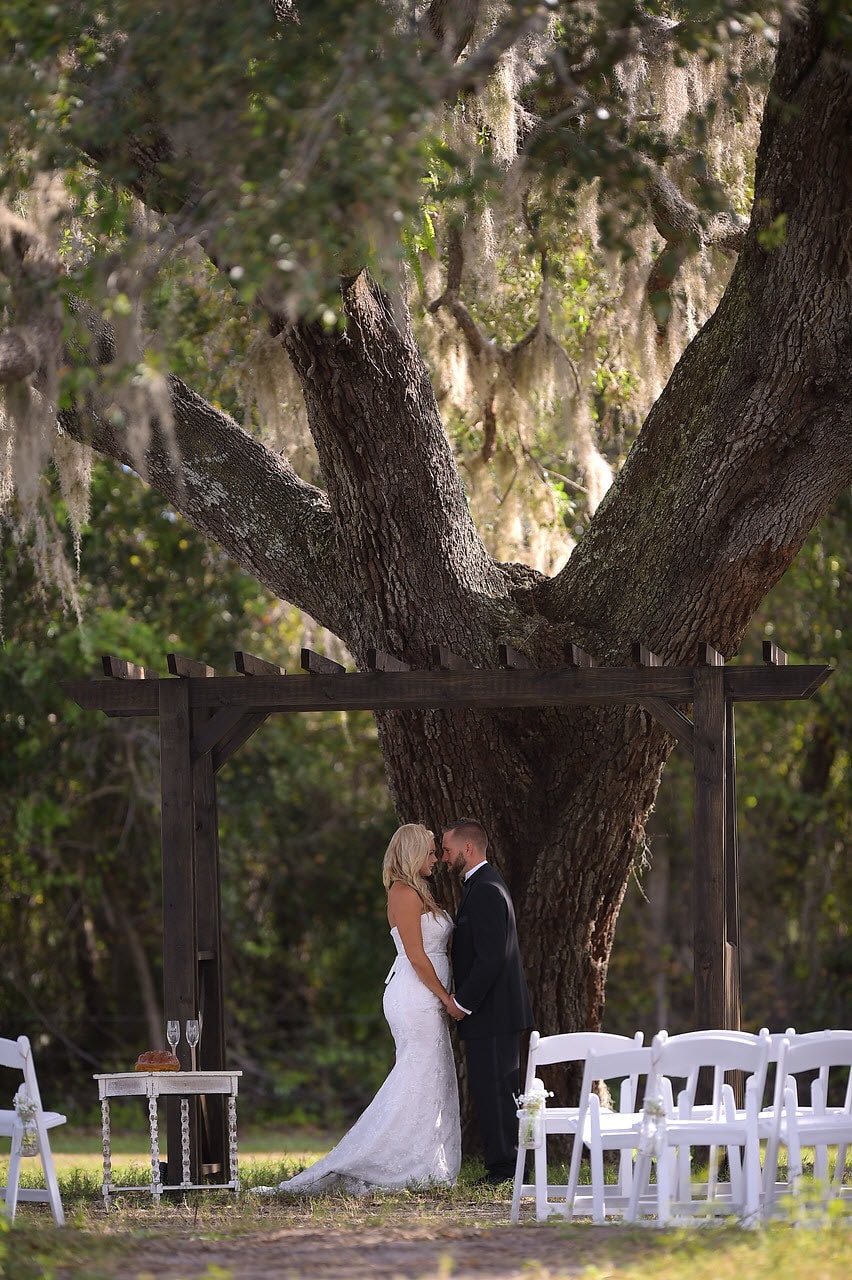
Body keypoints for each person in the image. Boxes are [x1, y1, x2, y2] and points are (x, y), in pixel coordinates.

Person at [270, 823, 461, 1194]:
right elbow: (418, 957)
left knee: (430, 1075)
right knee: (416, 1073)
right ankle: (372, 1158)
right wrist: (445, 997)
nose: (436, 860)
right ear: (413, 853)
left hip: (427, 996)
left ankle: (422, 1158)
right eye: (431, 852)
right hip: (416, 994)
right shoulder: (404, 893)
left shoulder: (422, 892)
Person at [441, 818, 533, 1185]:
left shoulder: (487, 890)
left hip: (493, 1012)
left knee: (499, 1091)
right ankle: (504, 1166)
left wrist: (462, 1003)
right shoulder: (477, 886)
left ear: (467, 848)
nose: (444, 857)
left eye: (447, 850)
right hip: (489, 1013)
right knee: (489, 1088)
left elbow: (493, 957)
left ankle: (508, 1170)